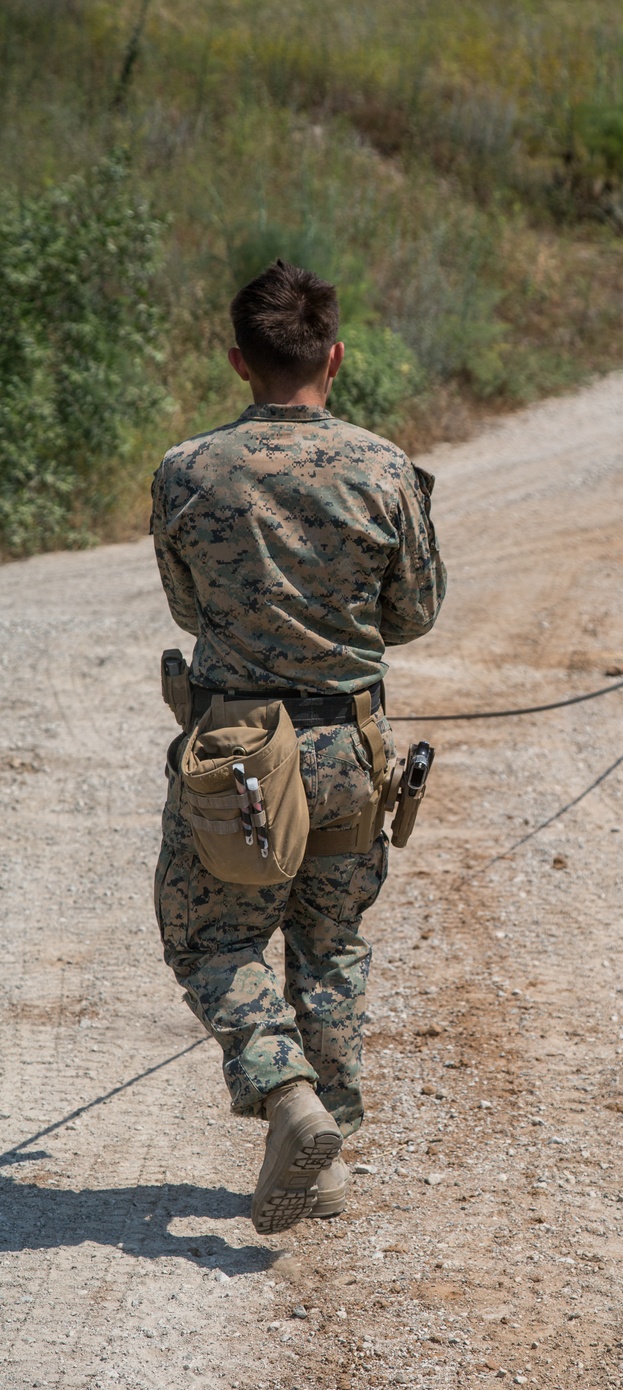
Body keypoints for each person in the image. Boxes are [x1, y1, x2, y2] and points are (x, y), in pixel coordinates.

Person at [150, 260, 446, 1234]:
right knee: (329, 943)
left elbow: (188, 604)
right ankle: (326, 1157)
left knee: (213, 937)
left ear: (240, 361)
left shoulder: (188, 469)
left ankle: (288, 1098)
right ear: (336, 356)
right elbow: (415, 615)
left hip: (240, 753)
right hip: (351, 753)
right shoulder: (385, 469)